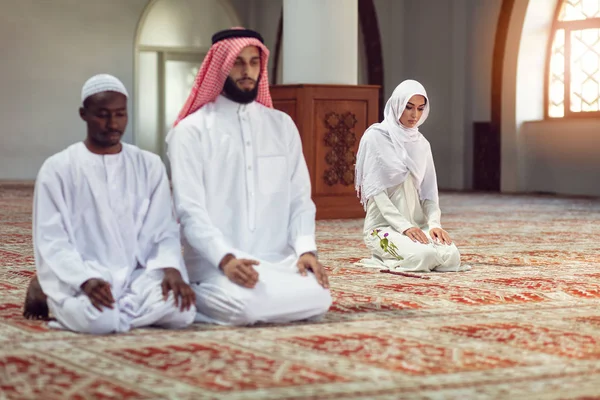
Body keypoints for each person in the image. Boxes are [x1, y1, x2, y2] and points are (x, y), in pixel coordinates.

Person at [166, 28, 332, 326]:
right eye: (237, 62)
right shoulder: (189, 132)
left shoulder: (281, 125)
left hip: (276, 261)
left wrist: (306, 249)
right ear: (220, 66)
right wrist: (225, 259)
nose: (247, 71)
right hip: (216, 265)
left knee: (320, 298)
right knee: (246, 309)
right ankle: (195, 290)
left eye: (254, 62)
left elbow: (299, 198)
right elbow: (189, 211)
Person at [22, 74, 196, 334]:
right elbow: (52, 239)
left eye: (120, 114)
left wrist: (170, 268)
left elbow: (163, 228)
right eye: (102, 115)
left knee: (184, 311)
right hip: (82, 275)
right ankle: (49, 289)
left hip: (136, 275)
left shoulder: (148, 165)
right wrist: (84, 280)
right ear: (84, 114)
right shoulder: (58, 169)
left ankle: (117, 311)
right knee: (99, 321)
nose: (113, 124)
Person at [354, 79, 469, 273]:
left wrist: (434, 224)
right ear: (397, 104)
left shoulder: (422, 144)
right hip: (384, 226)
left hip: (418, 226)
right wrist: (404, 227)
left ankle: (414, 248)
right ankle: (383, 257)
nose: (414, 114)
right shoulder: (375, 137)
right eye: (409, 107)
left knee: (451, 257)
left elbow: (429, 194)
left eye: (420, 108)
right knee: (423, 257)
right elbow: (377, 194)